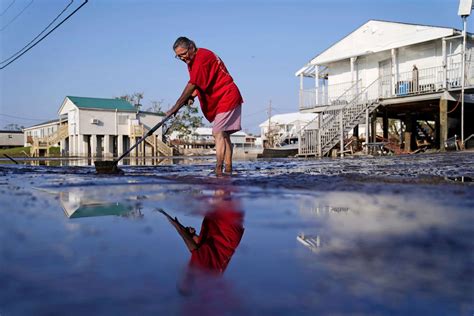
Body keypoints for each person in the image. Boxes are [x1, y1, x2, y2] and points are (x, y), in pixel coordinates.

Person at [166, 37, 243, 176]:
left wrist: (175, 107)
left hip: (227, 95)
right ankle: (228, 170)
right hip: (221, 98)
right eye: (178, 56)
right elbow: (203, 82)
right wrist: (192, 96)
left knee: (218, 132)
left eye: (183, 54)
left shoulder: (202, 58)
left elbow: (193, 83)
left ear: (191, 47)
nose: (182, 58)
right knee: (224, 135)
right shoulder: (193, 60)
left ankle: (219, 171)